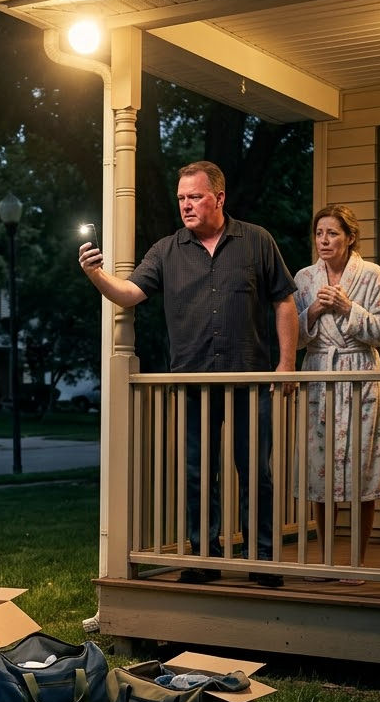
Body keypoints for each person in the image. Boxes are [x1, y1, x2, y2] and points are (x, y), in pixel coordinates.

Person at [78, 160, 299, 588]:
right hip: (193, 382)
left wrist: (286, 363)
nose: (186, 205)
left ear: (219, 197)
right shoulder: (166, 250)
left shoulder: (257, 241)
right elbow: (129, 294)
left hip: (250, 383)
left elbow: (284, 301)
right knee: (197, 473)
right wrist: (96, 274)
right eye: (181, 198)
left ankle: (263, 559)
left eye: (194, 196)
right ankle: (202, 557)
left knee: (256, 472)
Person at [293, 204, 380, 581]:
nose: (324, 240)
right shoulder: (304, 279)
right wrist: (313, 311)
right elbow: (296, 338)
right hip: (318, 374)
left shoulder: (371, 275)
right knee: (320, 472)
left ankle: (357, 562)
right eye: (319, 233)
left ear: (350, 237)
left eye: (332, 233)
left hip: (360, 374)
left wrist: (349, 307)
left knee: (362, 470)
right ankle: (327, 559)